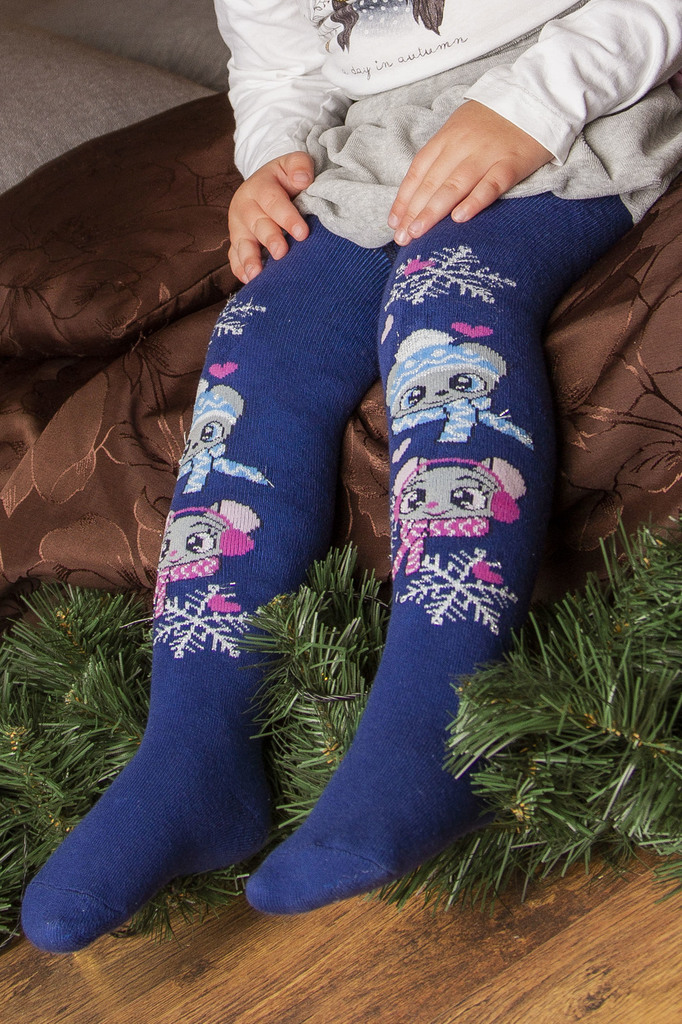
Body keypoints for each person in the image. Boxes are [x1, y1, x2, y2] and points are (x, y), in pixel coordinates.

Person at [21, 0, 682, 951]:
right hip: (380, 144)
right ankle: (194, 753)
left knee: (440, 303)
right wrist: (275, 159)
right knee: (256, 346)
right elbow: (281, 65)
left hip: (574, 94)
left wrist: (532, 105)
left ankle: (447, 721)